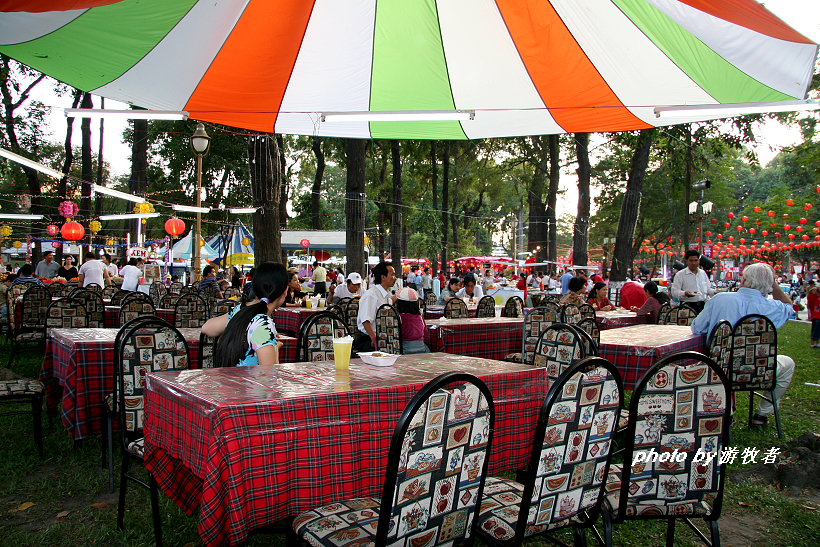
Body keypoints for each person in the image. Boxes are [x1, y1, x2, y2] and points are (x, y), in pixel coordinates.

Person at [691, 263, 795, 428]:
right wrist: (773, 283)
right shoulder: (773, 307)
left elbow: (697, 328)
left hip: (720, 370)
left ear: (744, 279)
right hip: (758, 371)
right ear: (770, 284)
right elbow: (790, 308)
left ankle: (727, 414)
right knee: (788, 364)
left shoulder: (720, 299)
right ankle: (761, 415)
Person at [203, 262, 289, 367]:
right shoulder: (263, 323)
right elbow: (269, 376)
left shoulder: (241, 310)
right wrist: (276, 349)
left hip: (229, 380)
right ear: (285, 291)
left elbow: (206, 328)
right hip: (250, 382)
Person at [354, 261, 397, 352]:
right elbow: (366, 320)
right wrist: (374, 338)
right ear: (383, 277)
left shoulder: (386, 295)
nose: (395, 278)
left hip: (383, 339)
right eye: (392, 275)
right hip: (369, 341)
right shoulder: (371, 295)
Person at [670, 249, 711, 313]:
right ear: (687, 261)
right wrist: (685, 293)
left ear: (699, 261)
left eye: (696, 260)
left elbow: (708, 289)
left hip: (702, 306)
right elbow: (674, 292)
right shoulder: (680, 274)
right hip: (687, 307)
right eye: (691, 261)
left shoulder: (703, 273)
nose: (693, 263)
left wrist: (716, 291)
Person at [396, 287, 430, 354]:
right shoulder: (420, 317)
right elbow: (427, 338)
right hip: (422, 350)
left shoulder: (398, 318)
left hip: (405, 350)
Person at [807, 283, 820, 348]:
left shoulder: (818, 300)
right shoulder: (812, 299)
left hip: (818, 317)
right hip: (816, 317)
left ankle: (817, 343)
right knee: (815, 331)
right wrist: (814, 289)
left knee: (818, 331)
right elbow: (811, 294)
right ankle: (813, 343)